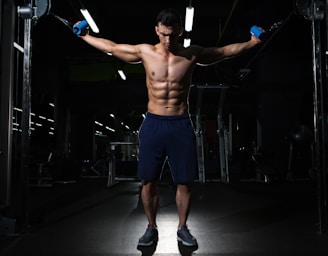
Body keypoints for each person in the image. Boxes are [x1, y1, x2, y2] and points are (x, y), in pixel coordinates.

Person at [76, 7, 262, 247]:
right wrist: (85, 36)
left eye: (172, 35)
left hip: (180, 124)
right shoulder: (145, 52)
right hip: (153, 123)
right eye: (163, 34)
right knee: (148, 181)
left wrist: (252, 42)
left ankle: (182, 227)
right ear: (156, 30)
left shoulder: (191, 54)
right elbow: (112, 48)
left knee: (184, 181)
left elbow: (224, 52)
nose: (167, 40)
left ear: (180, 32)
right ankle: (150, 227)